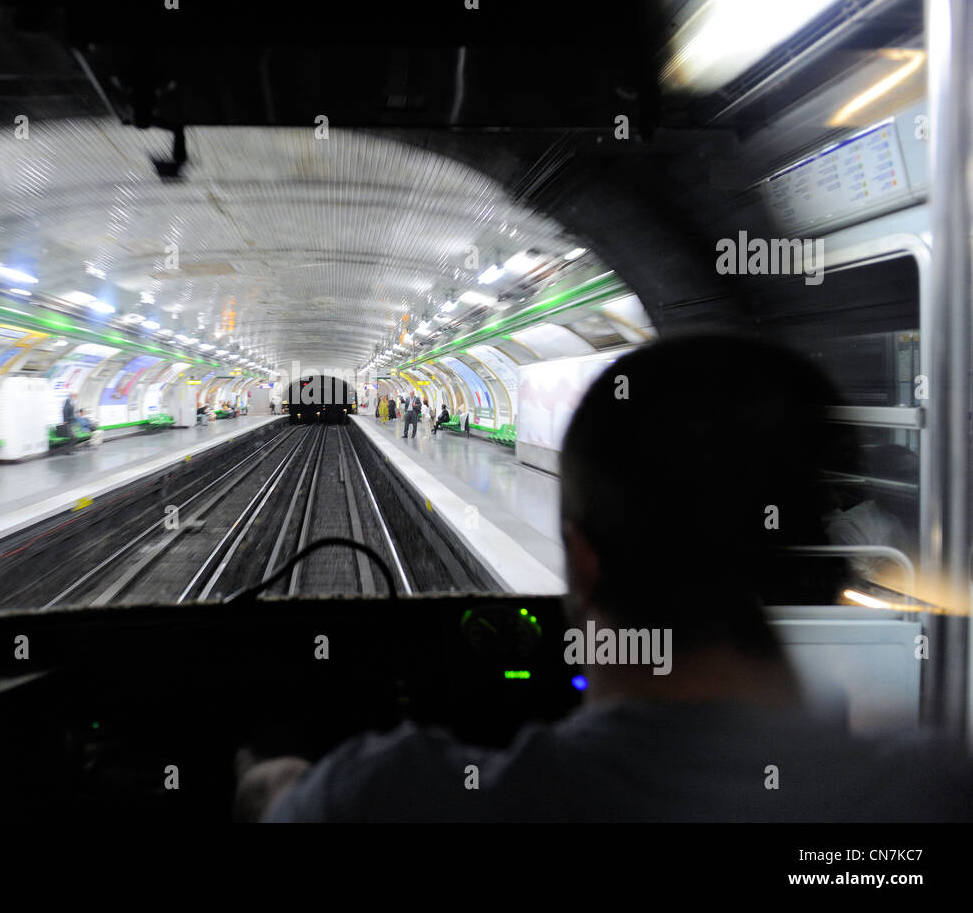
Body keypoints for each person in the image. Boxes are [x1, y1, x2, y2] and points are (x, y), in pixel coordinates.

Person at [254, 335, 973, 822]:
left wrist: (273, 776)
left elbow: (280, 801)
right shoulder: (939, 791)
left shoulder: (385, 797)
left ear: (585, 559)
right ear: (826, 570)